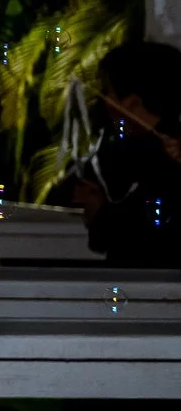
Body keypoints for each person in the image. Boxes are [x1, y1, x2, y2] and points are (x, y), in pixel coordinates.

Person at [64, 41, 181, 267]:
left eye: (108, 92)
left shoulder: (161, 159)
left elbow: (146, 240)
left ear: (133, 104)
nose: (104, 102)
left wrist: (99, 213)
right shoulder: (135, 152)